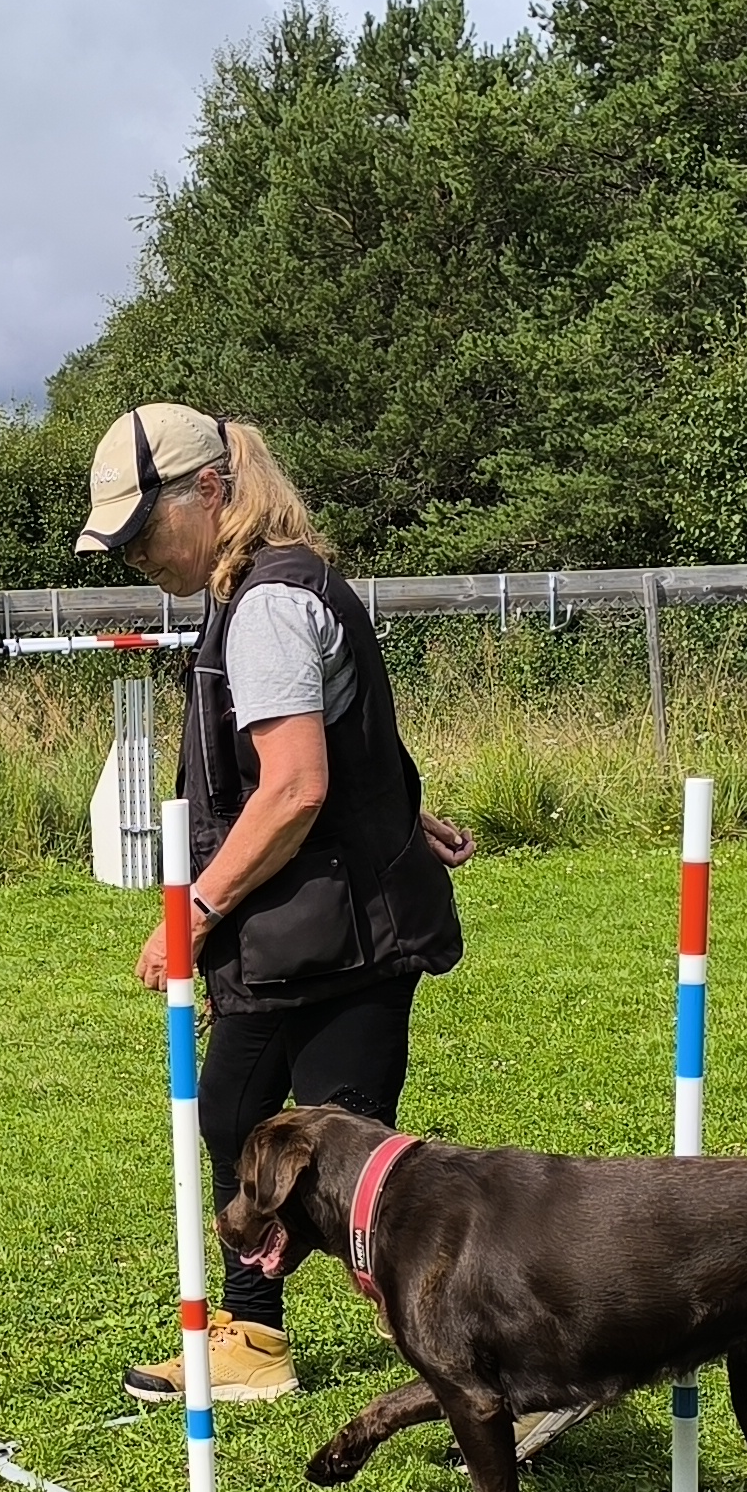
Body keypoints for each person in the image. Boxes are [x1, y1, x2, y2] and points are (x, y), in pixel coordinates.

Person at [84, 405, 473, 1407]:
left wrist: (194, 911)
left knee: (353, 1182)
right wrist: (396, 813)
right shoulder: (252, 588)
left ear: (208, 493)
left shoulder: (265, 602)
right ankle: (254, 1340)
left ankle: (506, 1345)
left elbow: (294, 785)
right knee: (237, 1119)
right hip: (299, 930)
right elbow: (338, 751)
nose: (133, 557)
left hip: (340, 937)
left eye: (139, 532)